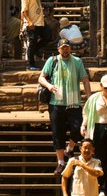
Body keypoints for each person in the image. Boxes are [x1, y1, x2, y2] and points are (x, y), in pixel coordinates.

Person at [39, 39, 91, 173]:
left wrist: (89, 98)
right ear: (58, 49)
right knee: (58, 132)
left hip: (73, 103)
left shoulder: (77, 61)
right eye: (63, 48)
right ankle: (61, 162)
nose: (65, 50)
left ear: (70, 48)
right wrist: (49, 86)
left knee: (79, 128)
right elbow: (41, 78)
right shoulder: (52, 61)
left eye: (67, 47)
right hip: (56, 103)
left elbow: (85, 80)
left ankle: (69, 149)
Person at [20, 0, 46, 70]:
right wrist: (29, 22)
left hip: (40, 23)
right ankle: (30, 64)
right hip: (31, 24)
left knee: (48, 37)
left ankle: (35, 50)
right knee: (32, 43)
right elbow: (24, 11)